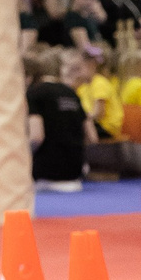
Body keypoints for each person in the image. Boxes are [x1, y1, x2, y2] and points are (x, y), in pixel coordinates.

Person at [25, 48, 88, 192]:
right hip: (75, 175)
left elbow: (36, 137)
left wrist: (23, 158)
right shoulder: (71, 93)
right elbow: (91, 136)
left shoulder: (34, 93)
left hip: (45, 176)